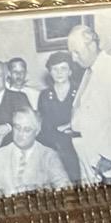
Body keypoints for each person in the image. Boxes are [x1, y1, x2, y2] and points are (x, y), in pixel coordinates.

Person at [67, 21, 111, 182]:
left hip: (103, 159)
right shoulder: (89, 71)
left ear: (92, 45)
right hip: (87, 153)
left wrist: (109, 156)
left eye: (76, 52)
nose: (73, 59)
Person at [0, 106, 70, 197]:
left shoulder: (48, 156)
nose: (20, 134)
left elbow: (65, 188)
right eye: (17, 127)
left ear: (37, 131)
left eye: (27, 129)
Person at [36, 51, 79, 182]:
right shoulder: (44, 95)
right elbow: (43, 123)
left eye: (63, 68)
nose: (59, 73)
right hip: (51, 145)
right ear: (50, 72)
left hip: (75, 144)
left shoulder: (79, 91)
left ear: (70, 71)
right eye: (55, 69)